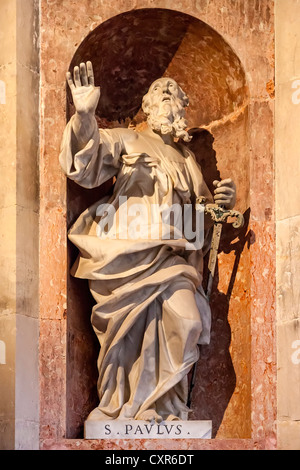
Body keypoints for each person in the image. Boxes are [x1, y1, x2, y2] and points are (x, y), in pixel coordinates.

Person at [59, 61, 236, 422]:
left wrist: (222, 204)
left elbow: (202, 217)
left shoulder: (189, 162)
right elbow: (86, 163)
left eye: (174, 95)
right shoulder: (128, 138)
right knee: (126, 335)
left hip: (172, 257)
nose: (167, 98)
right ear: (147, 107)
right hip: (126, 252)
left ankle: (166, 405)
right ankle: (124, 408)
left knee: (186, 322)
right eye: (159, 93)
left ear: (185, 108)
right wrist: (84, 115)